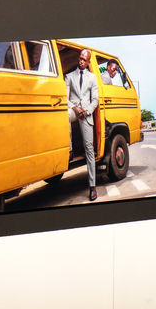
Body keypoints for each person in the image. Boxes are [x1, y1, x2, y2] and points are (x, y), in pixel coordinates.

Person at [65, 48, 99, 201]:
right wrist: (74, 107)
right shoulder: (69, 76)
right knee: (64, 116)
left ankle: (92, 187)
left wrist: (87, 111)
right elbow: (65, 98)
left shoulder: (92, 78)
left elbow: (95, 100)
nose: (81, 61)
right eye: (80, 58)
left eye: (84, 59)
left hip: (86, 113)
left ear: (88, 62)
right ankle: (70, 149)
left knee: (89, 149)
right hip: (73, 109)